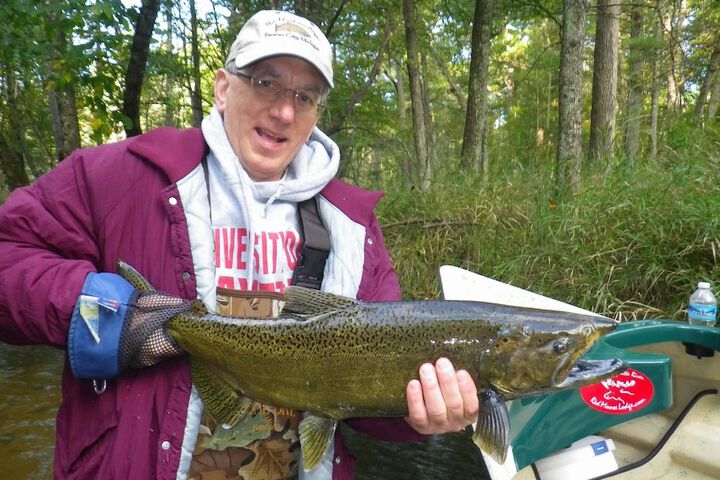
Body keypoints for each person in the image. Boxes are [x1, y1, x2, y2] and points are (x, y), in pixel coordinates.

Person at [0, 9, 478, 480]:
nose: (284, 110)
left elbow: (363, 406)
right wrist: (105, 316)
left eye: (305, 96)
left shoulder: (352, 226)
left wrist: (420, 416)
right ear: (224, 88)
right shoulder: (122, 177)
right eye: (266, 83)